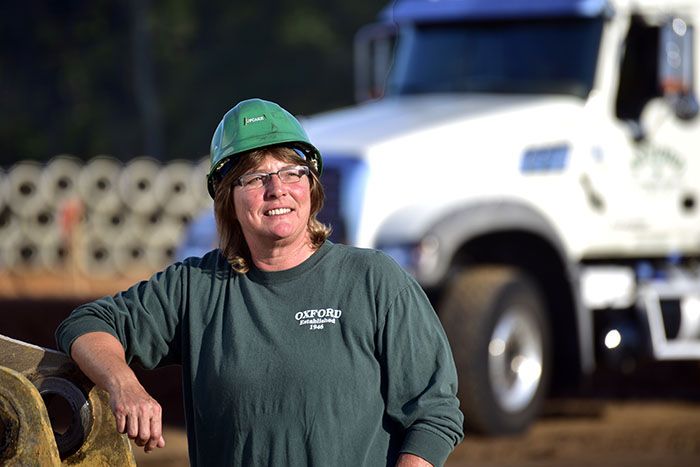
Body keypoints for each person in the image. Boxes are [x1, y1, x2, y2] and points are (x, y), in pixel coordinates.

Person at [55, 98, 464, 466]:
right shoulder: (197, 286)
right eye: (254, 178)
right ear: (227, 200)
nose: (277, 190)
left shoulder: (374, 280)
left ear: (312, 186)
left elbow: (435, 413)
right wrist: (124, 385)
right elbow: (86, 324)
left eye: (292, 173)